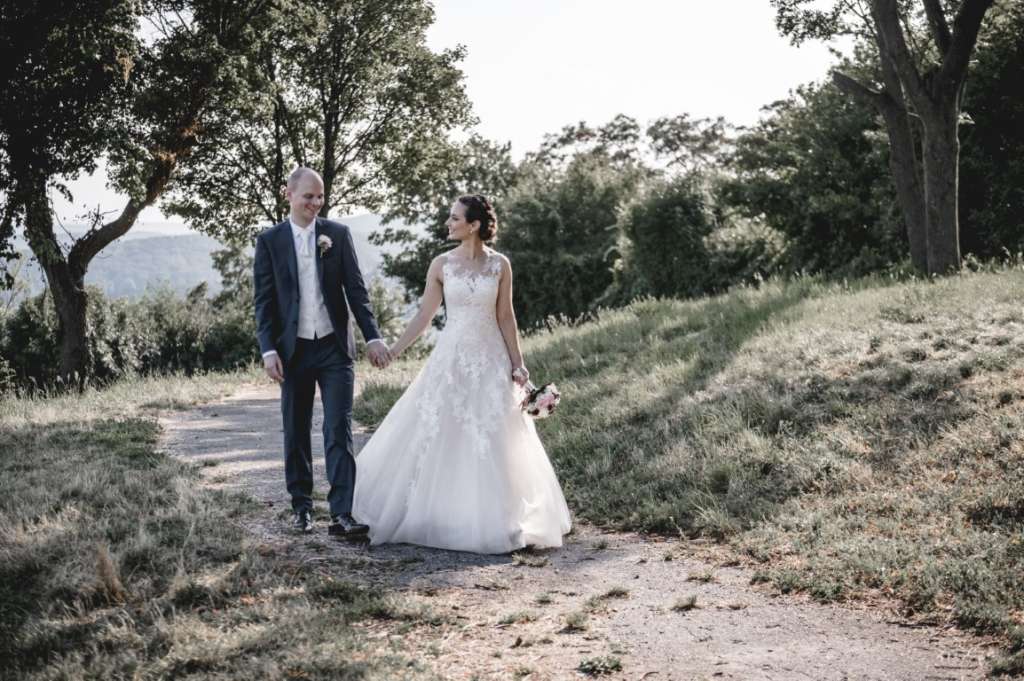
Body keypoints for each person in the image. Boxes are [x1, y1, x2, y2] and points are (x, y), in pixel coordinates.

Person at [352, 194, 572, 554]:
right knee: (444, 430)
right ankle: (444, 513)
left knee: (494, 436)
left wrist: (518, 364)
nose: (448, 223)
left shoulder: (500, 265)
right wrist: (394, 351)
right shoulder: (441, 265)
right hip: (451, 359)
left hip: (491, 360)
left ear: (473, 226)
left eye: (455, 218)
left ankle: (497, 517)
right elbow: (424, 317)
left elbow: (505, 317)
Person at [253, 167, 391, 537]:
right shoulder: (269, 241)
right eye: (308, 196)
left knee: (338, 428)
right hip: (292, 350)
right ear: (289, 195)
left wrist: (373, 336)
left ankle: (342, 513)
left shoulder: (338, 235)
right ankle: (301, 507)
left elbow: (356, 292)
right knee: (295, 429)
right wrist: (268, 350)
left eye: (320, 196)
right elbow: (263, 303)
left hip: (334, 348)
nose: (315, 203)